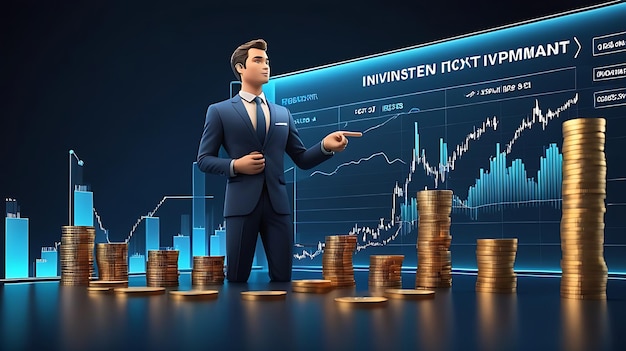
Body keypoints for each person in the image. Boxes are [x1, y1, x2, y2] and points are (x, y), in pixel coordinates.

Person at [196, 38, 360, 282]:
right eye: (258, 60)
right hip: (241, 207)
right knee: (238, 277)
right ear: (240, 68)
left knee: (283, 277)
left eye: (267, 61)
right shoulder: (219, 111)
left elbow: (302, 158)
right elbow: (204, 159)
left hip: (278, 207)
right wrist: (235, 165)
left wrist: (325, 146)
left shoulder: (283, 113)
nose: (266, 66)